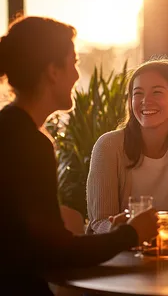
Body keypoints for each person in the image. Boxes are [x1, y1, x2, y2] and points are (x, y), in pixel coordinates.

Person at [0, 16, 158, 295]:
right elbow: (56, 252)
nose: (76, 74)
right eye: (72, 62)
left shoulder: (10, 128)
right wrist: (131, 234)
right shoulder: (27, 143)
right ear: (53, 71)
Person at [87, 59, 168, 235]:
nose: (146, 101)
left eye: (156, 92)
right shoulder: (108, 146)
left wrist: (160, 237)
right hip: (121, 252)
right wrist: (127, 234)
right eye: (138, 93)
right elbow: (100, 221)